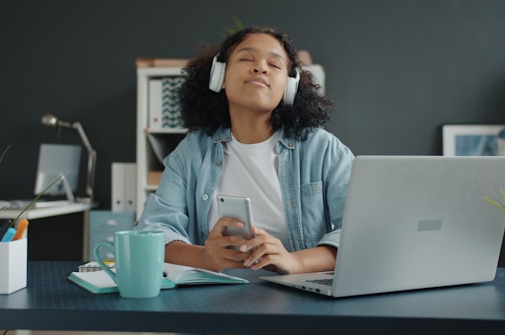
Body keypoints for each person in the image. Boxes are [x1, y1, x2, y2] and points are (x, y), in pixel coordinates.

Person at [136, 26, 354, 275]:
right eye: (246, 58)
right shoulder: (191, 152)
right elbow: (153, 231)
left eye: (274, 64)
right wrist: (205, 257)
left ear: (289, 86)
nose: (260, 68)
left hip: (298, 299)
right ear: (221, 77)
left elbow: (361, 232)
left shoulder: (323, 149)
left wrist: (295, 262)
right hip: (210, 298)